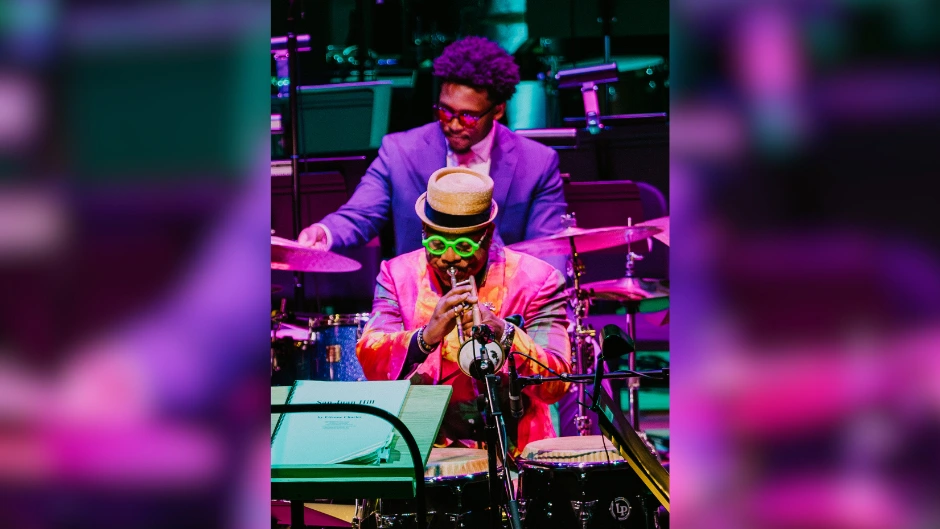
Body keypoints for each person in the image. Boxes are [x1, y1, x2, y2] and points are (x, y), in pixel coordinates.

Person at [356, 167, 571, 457]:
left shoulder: (538, 280)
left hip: (516, 453)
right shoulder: (396, 275)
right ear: (423, 232)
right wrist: (425, 338)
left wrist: (505, 334)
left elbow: (556, 384)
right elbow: (371, 361)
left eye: (464, 245)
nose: (449, 257)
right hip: (424, 451)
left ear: (488, 235)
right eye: (436, 244)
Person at [297, 35, 567, 257]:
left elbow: (548, 249)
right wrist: (324, 232)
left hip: (504, 299)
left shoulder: (537, 162)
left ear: (497, 110)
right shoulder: (400, 151)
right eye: (445, 111)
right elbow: (361, 214)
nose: (453, 124)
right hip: (421, 299)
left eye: (468, 116)